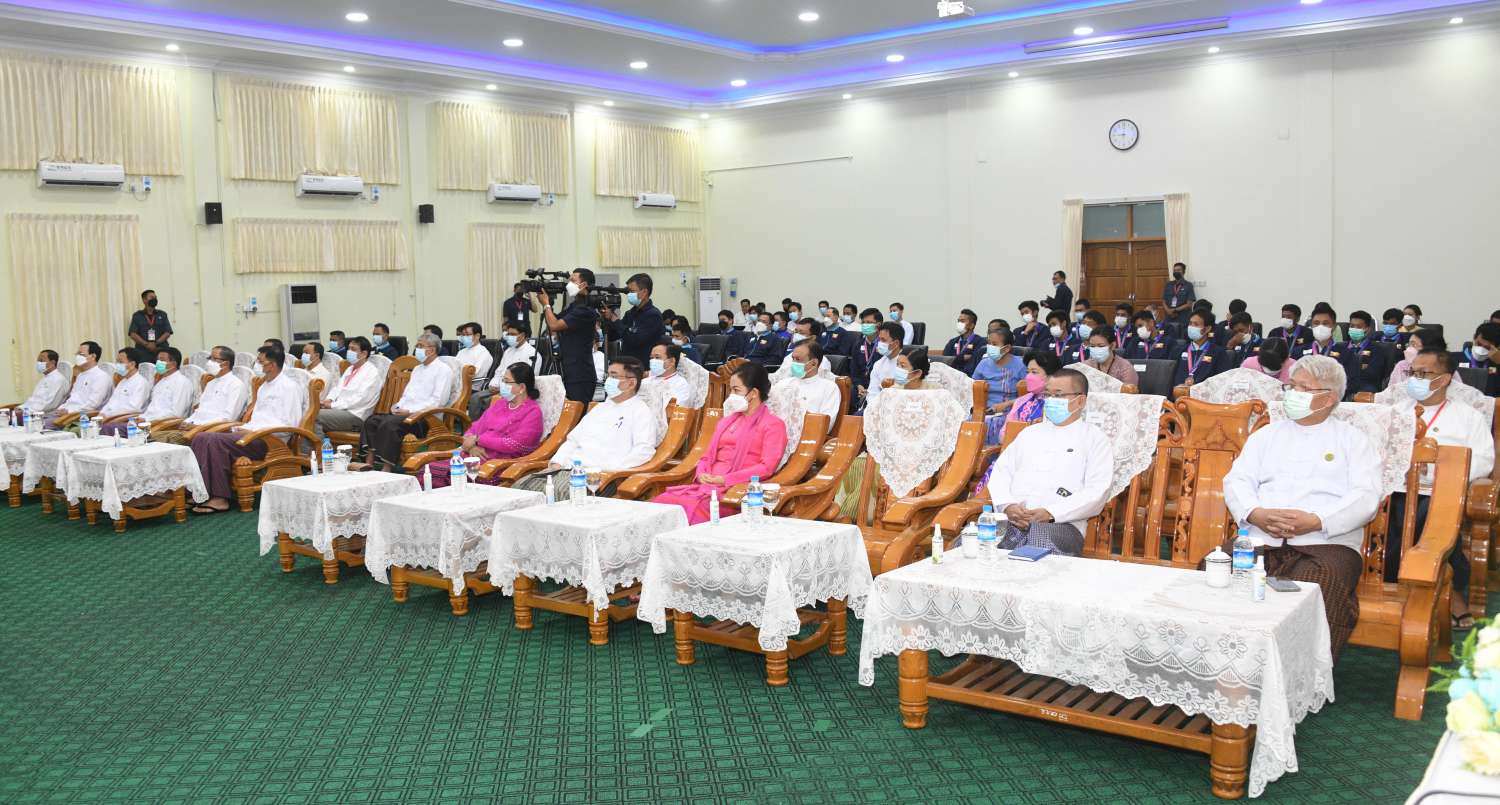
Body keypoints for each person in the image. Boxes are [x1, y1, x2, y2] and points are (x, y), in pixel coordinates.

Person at [1223, 355, 1381, 661]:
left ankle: (1296, 676)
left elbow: (1366, 497)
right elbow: (1237, 480)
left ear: (1329, 398)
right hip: (1262, 538)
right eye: (1291, 386)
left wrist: (1317, 520)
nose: (1293, 394)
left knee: (1315, 586)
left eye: (1304, 388)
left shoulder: (1353, 441)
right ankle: (1229, 666)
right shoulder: (1266, 435)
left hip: (1326, 543)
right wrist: (1256, 513)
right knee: (1218, 571)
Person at [1382, 348, 1493, 627]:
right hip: (1396, 488)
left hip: (1442, 491)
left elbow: (1483, 460)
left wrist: (1436, 472)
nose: (1414, 379)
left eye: (1423, 373)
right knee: (1389, 511)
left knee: (1427, 516)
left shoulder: (1468, 417)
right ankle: (1414, 587)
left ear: (1444, 379)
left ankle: (1438, 589)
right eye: (1412, 373)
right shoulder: (1395, 413)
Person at [982, 368, 1114, 556]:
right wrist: (1008, 505)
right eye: (1048, 395)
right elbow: (1001, 472)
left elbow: (1097, 491)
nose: (1051, 400)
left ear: (1080, 401)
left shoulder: (1094, 439)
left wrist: (1051, 512)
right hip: (1012, 519)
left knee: (1034, 549)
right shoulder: (1029, 433)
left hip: (1061, 524)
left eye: (1058, 395)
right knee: (970, 543)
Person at [654, 362, 788, 524]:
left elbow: (767, 467)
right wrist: (701, 474)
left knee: (690, 508)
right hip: (707, 486)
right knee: (662, 503)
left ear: (753, 393)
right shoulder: (727, 421)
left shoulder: (773, 425)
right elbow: (706, 457)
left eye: (736, 390)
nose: (731, 395)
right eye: (731, 389)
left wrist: (725, 480)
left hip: (736, 492)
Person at [512, 357, 659, 494]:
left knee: (556, 494)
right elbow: (573, 440)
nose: (608, 380)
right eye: (608, 375)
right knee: (521, 487)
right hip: (569, 469)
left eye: (614, 376)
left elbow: (643, 450)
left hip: (601, 477)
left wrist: (613, 471)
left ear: (631, 383)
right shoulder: (600, 408)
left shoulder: (641, 412)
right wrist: (557, 462)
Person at [190, 345, 308, 514]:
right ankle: (201, 493)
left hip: (271, 441)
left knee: (213, 440)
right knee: (201, 437)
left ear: (272, 365)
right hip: (253, 434)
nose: (256, 365)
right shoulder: (264, 386)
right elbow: (257, 419)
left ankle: (220, 498)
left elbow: (288, 425)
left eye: (260, 361)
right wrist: (241, 429)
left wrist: (253, 432)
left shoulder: (289, 387)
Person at [424, 363, 545, 489]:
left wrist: (478, 440)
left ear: (522, 387)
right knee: (429, 471)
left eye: (506, 381)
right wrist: (471, 447)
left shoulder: (533, 412)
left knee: (450, 476)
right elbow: (475, 428)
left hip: (500, 465)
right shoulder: (501, 404)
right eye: (502, 380)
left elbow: (514, 444)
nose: (502, 385)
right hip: (475, 456)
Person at [359, 333, 454, 471]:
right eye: (417, 345)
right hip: (405, 414)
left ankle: (387, 467)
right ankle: (369, 461)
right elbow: (407, 395)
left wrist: (410, 411)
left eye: (420, 346)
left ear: (432, 350)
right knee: (372, 421)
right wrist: (397, 406)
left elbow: (438, 401)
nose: (416, 349)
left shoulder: (443, 370)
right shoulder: (417, 369)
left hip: (426, 418)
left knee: (390, 424)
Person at [149, 346, 248, 445]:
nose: (209, 362)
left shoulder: (236, 385)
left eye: (214, 359)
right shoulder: (211, 383)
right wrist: (187, 421)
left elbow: (228, 418)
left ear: (225, 363)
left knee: (156, 441)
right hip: (192, 428)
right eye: (209, 358)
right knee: (148, 437)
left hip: (210, 432)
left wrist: (197, 427)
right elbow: (200, 410)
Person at [536, 268, 602, 403]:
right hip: (568, 369)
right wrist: (549, 302)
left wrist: (546, 305)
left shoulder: (585, 310)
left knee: (577, 411)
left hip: (580, 374)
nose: (568, 284)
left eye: (573, 280)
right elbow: (554, 320)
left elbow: (554, 325)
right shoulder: (575, 306)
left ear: (583, 285)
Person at [315, 336, 384, 441]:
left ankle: (317, 450)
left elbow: (360, 400)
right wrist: (329, 399)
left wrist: (333, 405)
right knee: (310, 412)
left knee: (315, 416)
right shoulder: (350, 369)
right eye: (349, 348)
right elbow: (337, 388)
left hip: (356, 415)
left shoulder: (371, 372)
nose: (349, 351)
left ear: (364, 353)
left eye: (353, 349)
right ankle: (319, 448)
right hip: (341, 410)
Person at [471, 323, 537, 419]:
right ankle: (474, 425)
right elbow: (499, 371)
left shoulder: (533, 354)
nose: (508, 337)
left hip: (515, 390)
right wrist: (493, 384)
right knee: (475, 398)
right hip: (499, 387)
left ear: (522, 335)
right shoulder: (508, 351)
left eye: (512, 334)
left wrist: (503, 387)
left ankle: (489, 425)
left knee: (488, 401)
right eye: (508, 334)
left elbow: (529, 380)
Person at [602, 273, 664, 366]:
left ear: (644, 292)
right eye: (628, 292)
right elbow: (613, 336)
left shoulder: (653, 315)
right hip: (627, 364)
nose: (629, 294)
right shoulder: (630, 313)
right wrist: (608, 319)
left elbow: (635, 340)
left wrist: (615, 320)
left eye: (632, 291)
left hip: (642, 366)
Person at [126, 347, 194, 430]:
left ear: (173, 364)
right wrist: (141, 418)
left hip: (167, 426)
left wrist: (147, 420)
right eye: (157, 360)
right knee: (125, 428)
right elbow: (152, 408)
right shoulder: (160, 382)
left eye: (162, 360)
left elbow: (176, 413)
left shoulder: (182, 382)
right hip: (149, 422)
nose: (158, 363)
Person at [88, 347, 152, 431]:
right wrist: (102, 414)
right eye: (117, 362)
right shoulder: (122, 382)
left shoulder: (141, 383)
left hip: (128, 421)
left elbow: (133, 408)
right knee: (90, 426)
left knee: (101, 429)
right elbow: (111, 403)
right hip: (111, 418)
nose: (117, 365)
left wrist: (109, 416)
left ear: (132, 364)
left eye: (120, 362)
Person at [974, 328, 1027, 426]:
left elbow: (1028, 396)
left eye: (994, 344)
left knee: (991, 423)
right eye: (989, 343)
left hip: (1010, 412)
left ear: (1007, 348)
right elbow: (975, 388)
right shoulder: (983, 363)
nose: (990, 347)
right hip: (985, 411)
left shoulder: (1020, 365)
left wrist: (1007, 404)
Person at [781, 339, 842, 423]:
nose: (793, 363)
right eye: (793, 359)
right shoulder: (784, 383)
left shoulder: (829, 388)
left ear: (814, 363)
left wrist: (798, 412)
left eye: (798, 359)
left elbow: (825, 424)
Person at [1341, 310, 1390, 396]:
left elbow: (1372, 374)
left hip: (1364, 386)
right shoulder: (1340, 347)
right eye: (1352, 326)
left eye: (1359, 327)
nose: (1354, 329)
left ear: (1367, 329)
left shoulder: (1377, 349)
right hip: (1342, 385)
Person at [1172, 311, 1226, 389]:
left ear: (1207, 329)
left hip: (1203, 395)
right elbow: (1171, 378)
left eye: (1196, 324)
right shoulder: (1179, 350)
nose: (1191, 327)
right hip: (1179, 394)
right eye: (1190, 323)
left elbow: (1221, 382)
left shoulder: (1218, 353)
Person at [1007, 352, 1063, 424]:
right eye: (1027, 372)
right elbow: (1008, 427)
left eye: (1034, 372)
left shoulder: (1062, 403)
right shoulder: (1021, 401)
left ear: (1051, 375)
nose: (1028, 377)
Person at [861, 322, 904, 410]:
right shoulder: (878, 364)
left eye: (883, 340)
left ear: (896, 343)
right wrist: (874, 409)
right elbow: (872, 393)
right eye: (879, 339)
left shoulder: (908, 363)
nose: (879, 343)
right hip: (878, 408)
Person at [849, 308, 884, 409]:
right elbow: (854, 371)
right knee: (849, 391)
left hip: (878, 386)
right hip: (861, 385)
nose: (865, 325)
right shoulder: (858, 344)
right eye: (863, 322)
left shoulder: (884, 346)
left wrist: (871, 389)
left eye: (869, 322)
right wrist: (859, 386)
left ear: (878, 325)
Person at [20, 350, 69, 416]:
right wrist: (21, 408)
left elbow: (50, 404)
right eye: (38, 361)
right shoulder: (44, 378)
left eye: (41, 360)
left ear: (52, 362)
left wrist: (26, 411)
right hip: (30, 411)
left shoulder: (58, 379)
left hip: (45, 415)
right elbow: (34, 399)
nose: (38, 363)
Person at [1458, 322, 1500, 397]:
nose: (1481, 349)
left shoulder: (1496, 363)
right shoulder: (1452, 358)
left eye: (1487, 347)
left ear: (1497, 347)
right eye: (1479, 344)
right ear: (1474, 337)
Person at [649, 343, 694, 408]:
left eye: (657, 357)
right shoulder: (646, 381)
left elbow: (674, 410)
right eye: (651, 358)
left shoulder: (681, 385)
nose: (653, 361)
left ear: (672, 361)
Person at [454, 322, 495, 393]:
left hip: (471, 388)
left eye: (467, 335)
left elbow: (474, 374)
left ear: (477, 336)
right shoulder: (461, 352)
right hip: (457, 386)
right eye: (463, 335)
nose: (464, 337)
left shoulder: (483, 353)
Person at [944, 308, 985, 374]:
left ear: (972, 325)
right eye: (958, 321)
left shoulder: (980, 342)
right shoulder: (952, 342)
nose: (959, 324)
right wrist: (962, 357)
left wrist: (954, 359)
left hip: (968, 376)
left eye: (962, 321)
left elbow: (974, 361)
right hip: (950, 375)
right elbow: (945, 360)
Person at [1161, 263, 1195, 327]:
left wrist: (1175, 310)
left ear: (1183, 272)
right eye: (1175, 270)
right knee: (1167, 332)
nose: (1176, 272)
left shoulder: (1188, 285)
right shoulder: (1168, 285)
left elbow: (1189, 304)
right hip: (1169, 318)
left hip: (1183, 318)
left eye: (1178, 270)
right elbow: (1163, 301)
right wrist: (1168, 311)